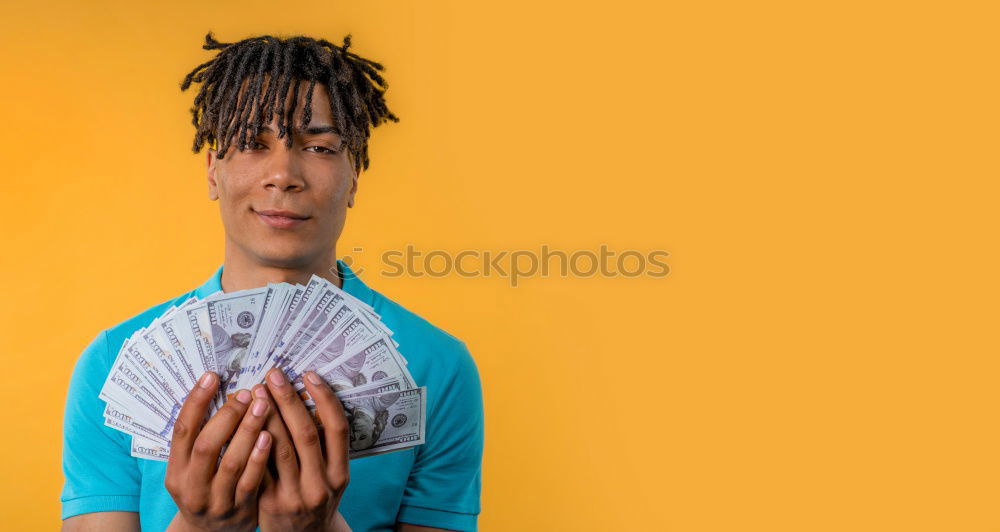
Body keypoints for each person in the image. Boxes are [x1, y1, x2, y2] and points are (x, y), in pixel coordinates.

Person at [61, 32, 485, 532]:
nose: (283, 173)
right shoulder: (114, 366)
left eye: (320, 147)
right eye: (251, 144)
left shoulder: (437, 367)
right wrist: (198, 528)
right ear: (212, 172)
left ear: (354, 178)